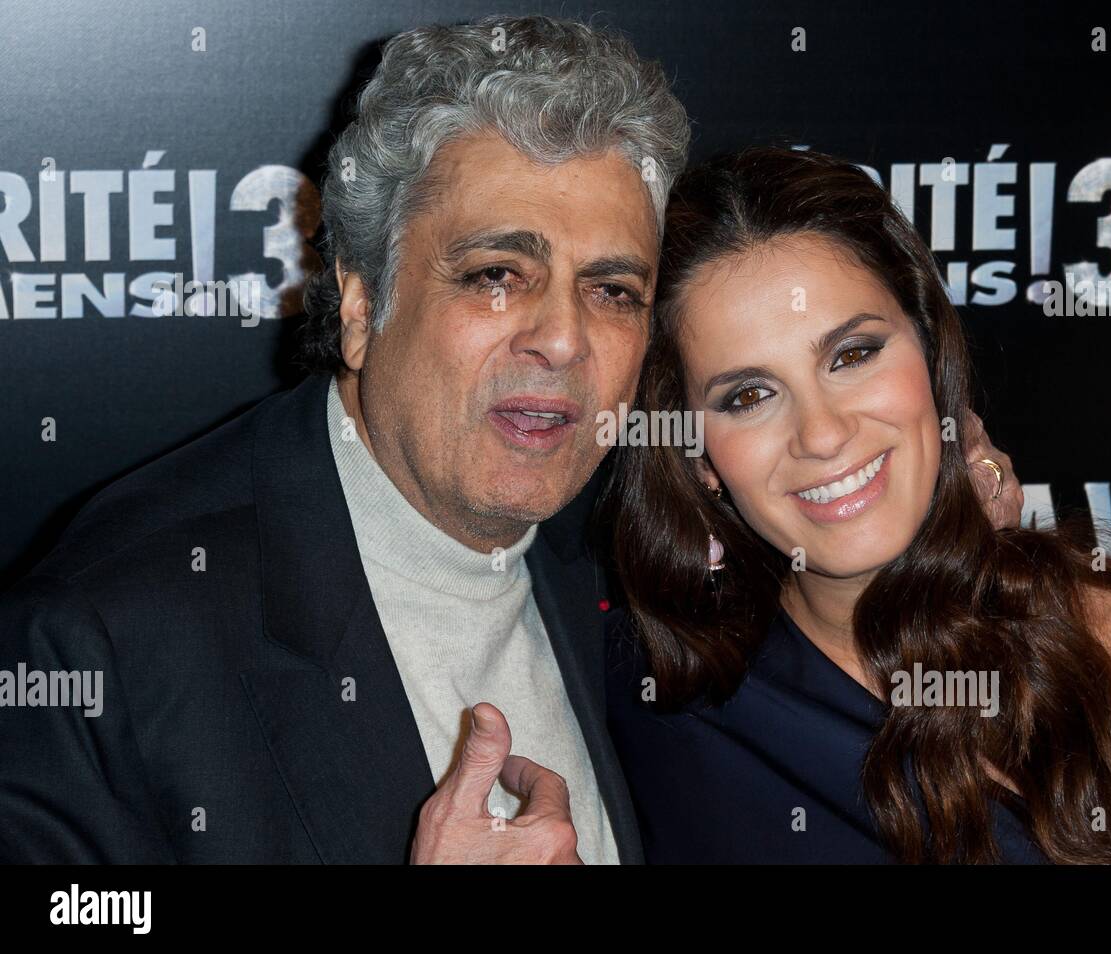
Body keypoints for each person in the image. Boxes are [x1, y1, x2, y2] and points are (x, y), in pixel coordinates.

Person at [0, 16, 1020, 865]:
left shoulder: (620, 537)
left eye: (612, 290)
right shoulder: (101, 639)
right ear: (358, 303)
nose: (564, 339)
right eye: (497, 274)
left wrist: (948, 529)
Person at [600, 146, 1111, 864]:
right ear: (695, 453)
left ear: (930, 352)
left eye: (852, 354)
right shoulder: (661, 700)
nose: (823, 433)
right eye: (749, 397)